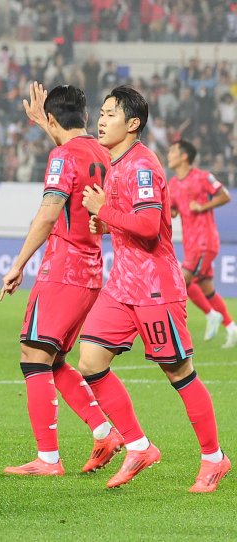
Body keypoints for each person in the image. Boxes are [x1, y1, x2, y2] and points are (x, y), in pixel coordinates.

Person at [79, 85, 229, 492]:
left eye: (110, 113)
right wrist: (106, 222)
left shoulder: (143, 166)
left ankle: (214, 459)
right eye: (102, 112)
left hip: (155, 288)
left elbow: (148, 228)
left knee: (179, 373)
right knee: (90, 361)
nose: (101, 119)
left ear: (133, 123)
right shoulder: (116, 164)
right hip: (122, 286)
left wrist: (103, 211)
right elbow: (132, 222)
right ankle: (139, 446)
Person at [0, 83, 123, 476]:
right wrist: (44, 122)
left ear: (53, 120)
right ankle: (104, 431)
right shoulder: (104, 152)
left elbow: (50, 213)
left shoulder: (61, 156)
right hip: (91, 272)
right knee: (54, 361)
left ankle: (47, 458)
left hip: (62, 270)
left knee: (33, 356)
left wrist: (18, 263)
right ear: (87, 118)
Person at [167, 140, 236, 347]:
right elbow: (174, 210)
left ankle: (209, 315)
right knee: (207, 289)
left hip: (205, 242)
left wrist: (203, 205)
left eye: (172, 151)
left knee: (179, 282)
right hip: (190, 244)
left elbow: (225, 196)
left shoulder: (202, 177)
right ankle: (231, 328)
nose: (169, 155)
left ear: (184, 156)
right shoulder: (173, 184)